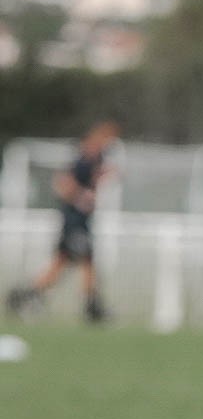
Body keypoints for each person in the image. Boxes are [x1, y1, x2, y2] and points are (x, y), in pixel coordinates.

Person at [5, 121, 119, 324]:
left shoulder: (97, 159)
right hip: (73, 221)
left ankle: (27, 295)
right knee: (86, 260)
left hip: (82, 221)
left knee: (61, 264)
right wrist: (81, 196)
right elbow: (62, 184)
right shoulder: (82, 160)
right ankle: (91, 306)